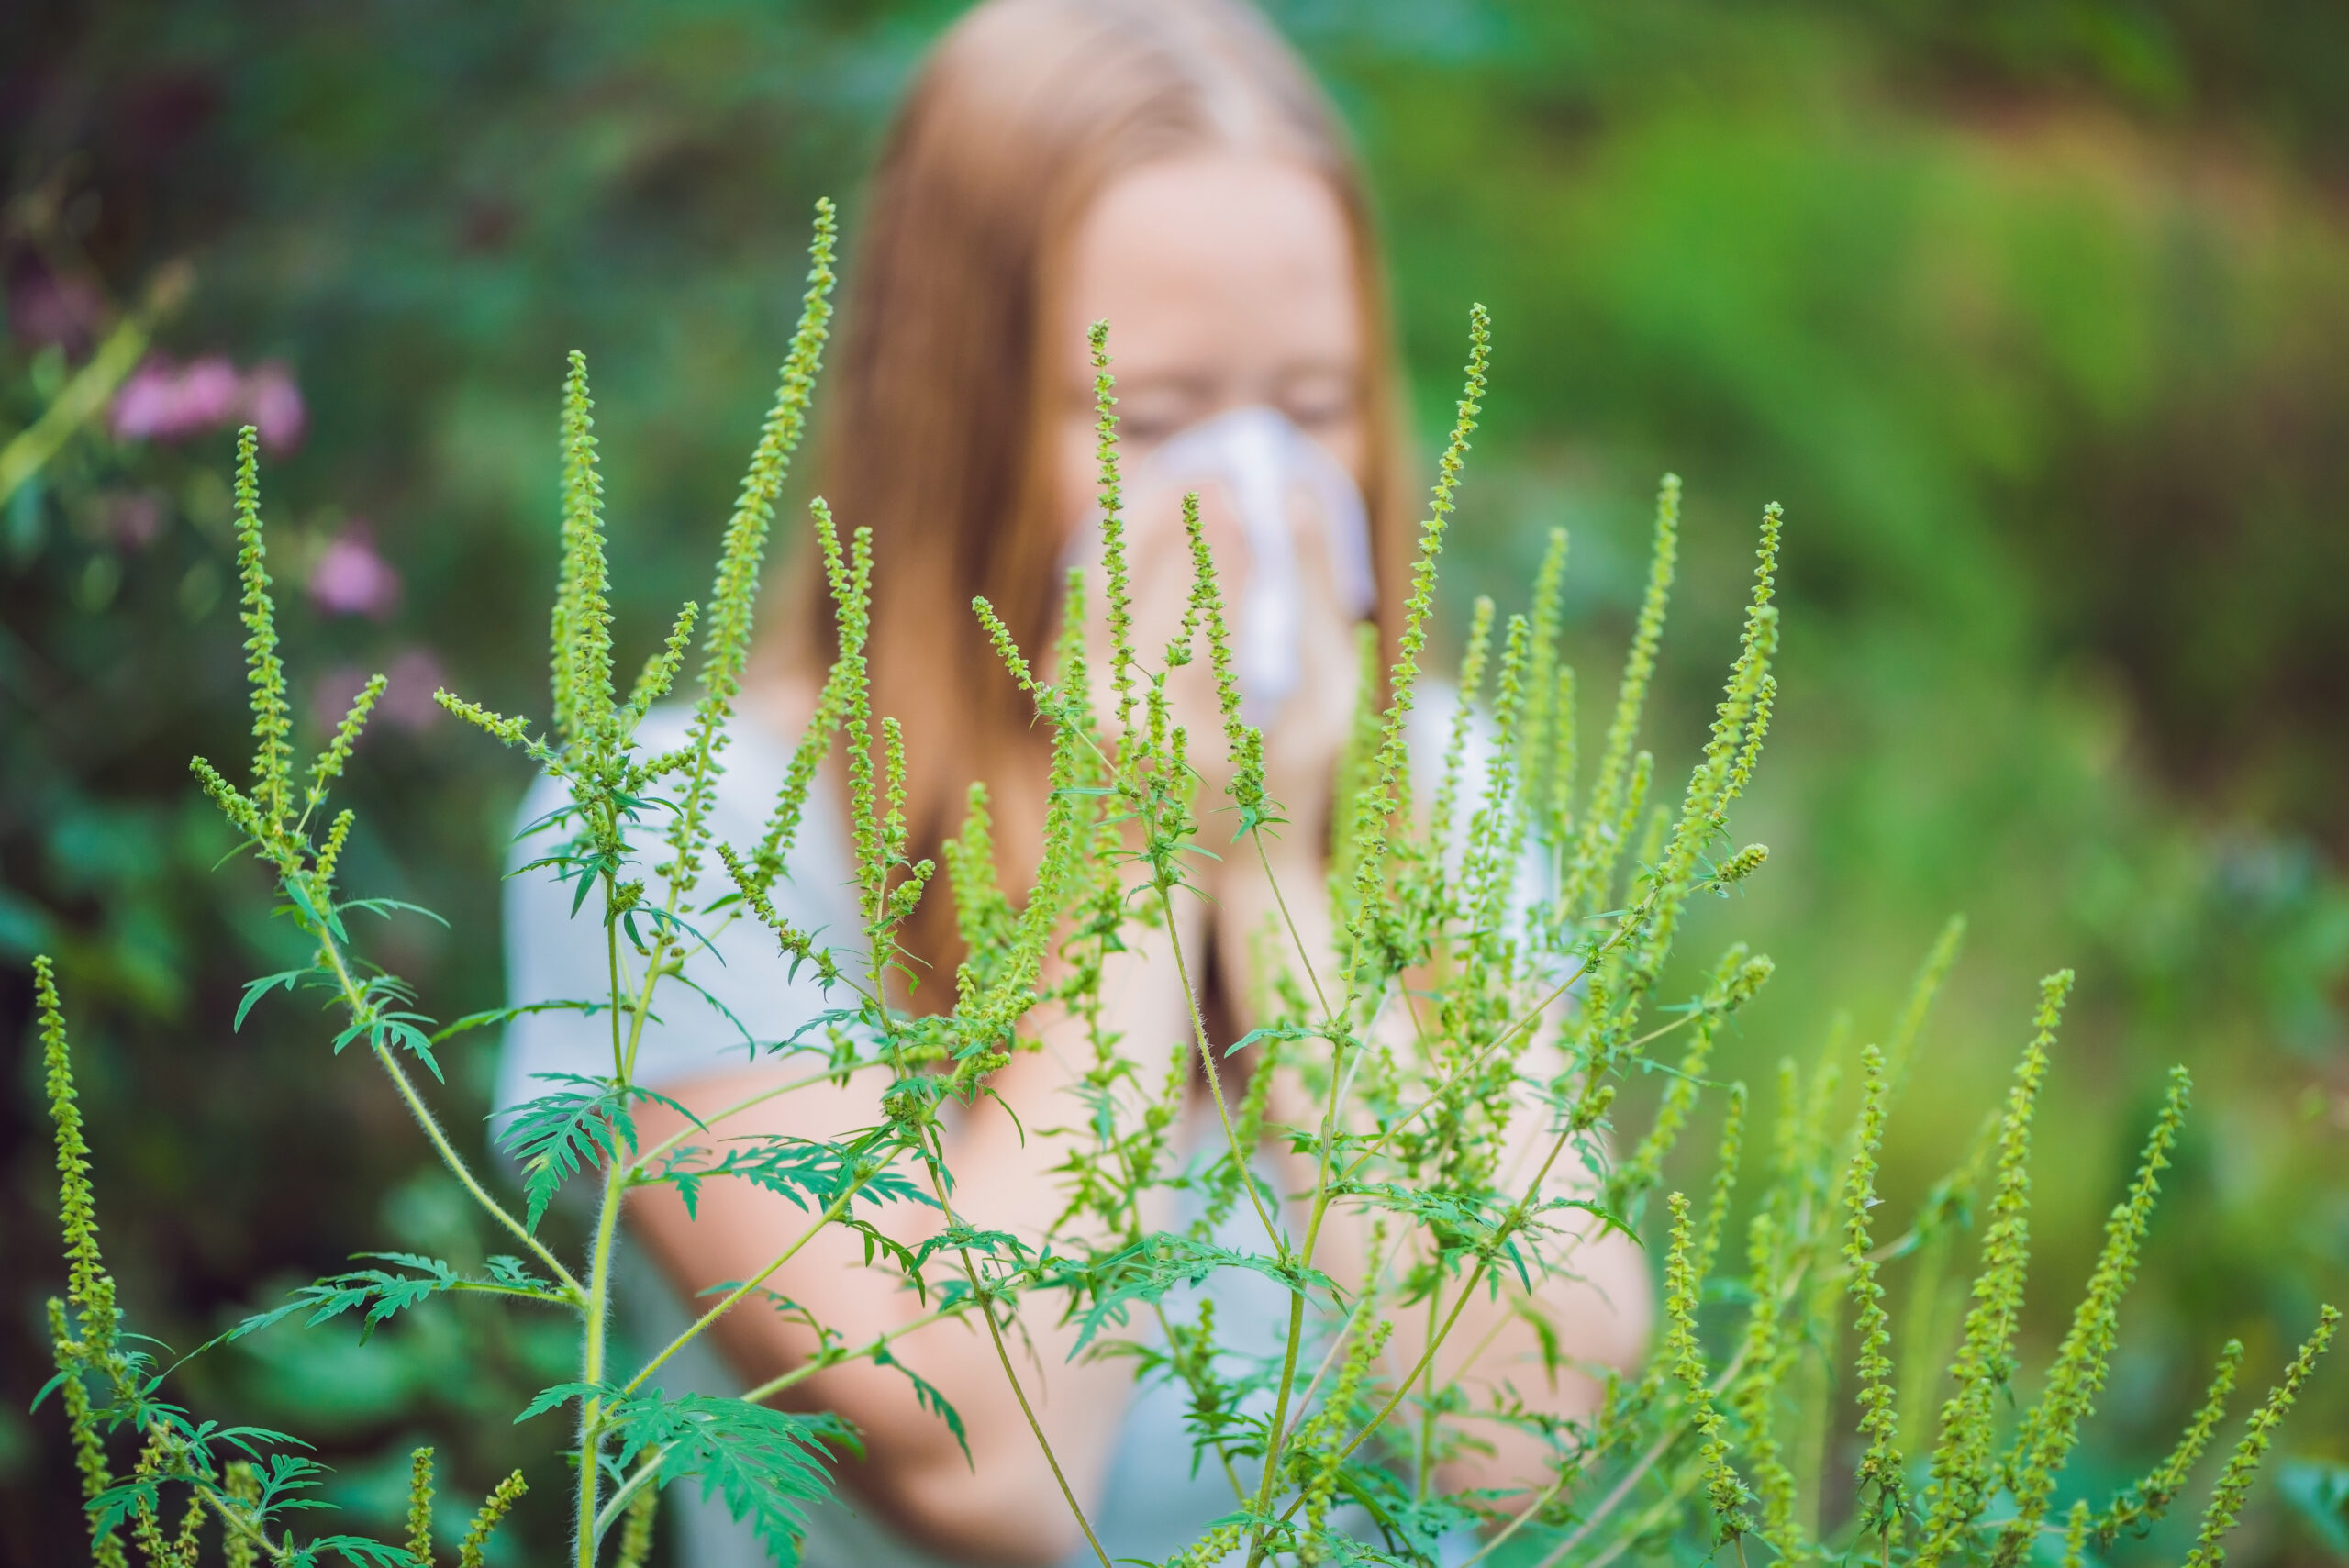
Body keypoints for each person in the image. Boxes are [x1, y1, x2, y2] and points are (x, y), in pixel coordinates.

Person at [500, 2, 1651, 1563]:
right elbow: (988, 1464)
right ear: (954, 420)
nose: (1245, 493)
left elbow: (1520, 1432)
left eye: (1307, 410)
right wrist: (1149, 850)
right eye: (1157, 421)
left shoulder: (1440, 781)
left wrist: (1281, 872)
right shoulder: (677, 836)